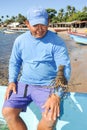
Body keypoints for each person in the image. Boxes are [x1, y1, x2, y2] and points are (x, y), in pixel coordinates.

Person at [2, 7, 71, 130]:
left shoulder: (57, 42)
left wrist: (57, 94)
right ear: (27, 24)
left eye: (43, 25)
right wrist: (12, 81)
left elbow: (64, 68)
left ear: (48, 22)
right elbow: (14, 62)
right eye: (35, 25)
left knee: (50, 119)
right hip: (24, 84)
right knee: (8, 112)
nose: (40, 29)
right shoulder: (20, 40)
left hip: (47, 86)